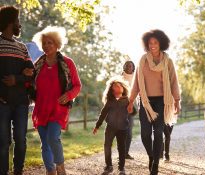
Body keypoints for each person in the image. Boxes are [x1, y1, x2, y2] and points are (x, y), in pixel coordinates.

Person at [127, 29, 181, 175]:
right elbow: (136, 84)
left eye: (155, 42)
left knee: (158, 133)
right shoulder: (142, 61)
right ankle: (151, 156)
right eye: (150, 43)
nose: (152, 45)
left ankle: (156, 164)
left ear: (161, 43)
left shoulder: (167, 61)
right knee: (145, 134)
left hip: (162, 101)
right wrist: (131, 100)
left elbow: (174, 82)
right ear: (146, 44)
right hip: (145, 102)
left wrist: (177, 100)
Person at [31, 26, 81, 175]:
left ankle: (60, 166)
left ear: (57, 44)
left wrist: (69, 95)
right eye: (44, 43)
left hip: (59, 108)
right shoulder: (38, 65)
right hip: (41, 109)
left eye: (50, 43)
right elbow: (30, 84)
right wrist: (26, 75)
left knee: (53, 138)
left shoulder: (67, 63)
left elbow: (77, 85)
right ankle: (50, 171)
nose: (47, 46)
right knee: (45, 144)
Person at [0, 6, 34, 175]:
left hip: (21, 103)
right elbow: (26, 72)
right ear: (9, 23)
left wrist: (17, 79)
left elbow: (31, 73)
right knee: (3, 142)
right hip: (2, 103)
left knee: (20, 140)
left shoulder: (22, 48)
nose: (19, 25)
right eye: (17, 21)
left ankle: (18, 171)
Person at [93, 78, 131, 175]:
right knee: (107, 145)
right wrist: (97, 126)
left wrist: (131, 110)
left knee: (121, 147)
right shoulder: (110, 101)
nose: (118, 86)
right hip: (111, 127)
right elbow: (103, 114)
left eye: (120, 85)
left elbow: (133, 111)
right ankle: (108, 166)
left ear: (123, 88)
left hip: (123, 128)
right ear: (112, 90)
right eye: (115, 85)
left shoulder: (127, 100)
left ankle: (121, 168)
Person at [122, 60, 136, 160]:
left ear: (133, 67)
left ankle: (126, 153)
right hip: (121, 107)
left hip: (132, 106)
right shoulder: (120, 77)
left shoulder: (136, 77)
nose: (128, 67)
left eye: (130, 66)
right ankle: (121, 153)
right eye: (127, 65)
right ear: (124, 67)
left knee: (129, 131)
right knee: (121, 130)